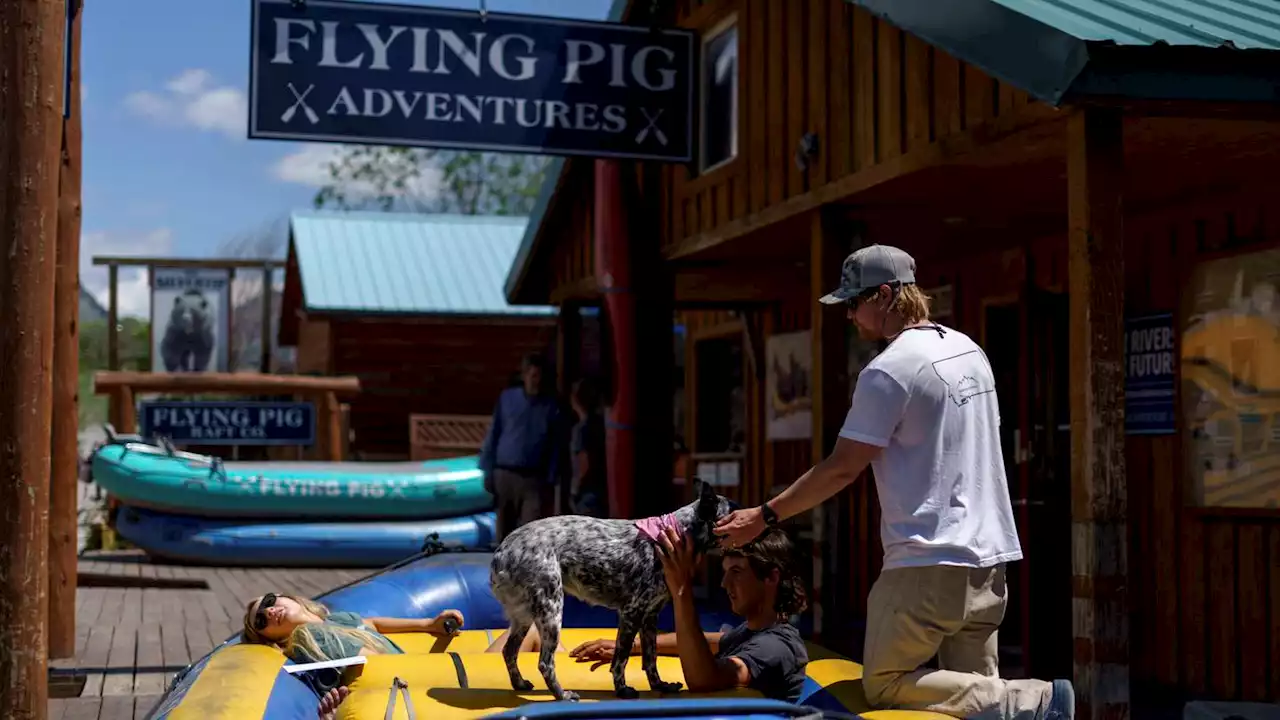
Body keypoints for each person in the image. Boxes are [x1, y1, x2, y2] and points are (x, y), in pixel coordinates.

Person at [713, 245, 1075, 720]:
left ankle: (1036, 698)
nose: (849, 316)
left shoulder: (888, 370)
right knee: (971, 707)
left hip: (925, 561)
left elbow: (843, 467)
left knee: (884, 684)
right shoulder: (971, 352)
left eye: (852, 303)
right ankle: (1019, 703)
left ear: (884, 296)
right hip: (990, 559)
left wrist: (765, 516)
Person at [490, 527, 810, 703]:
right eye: (725, 571)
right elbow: (715, 641)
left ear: (772, 578)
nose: (725, 583)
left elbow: (705, 680)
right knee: (534, 631)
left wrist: (680, 591)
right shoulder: (752, 633)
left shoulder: (776, 647)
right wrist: (629, 646)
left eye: (737, 572)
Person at [240, 592, 464, 704]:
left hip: (421, 682)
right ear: (270, 637)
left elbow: (372, 624)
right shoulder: (314, 637)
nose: (269, 612)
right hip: (418, 689)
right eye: (261, 621)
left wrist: (428, 624)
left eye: (269, 601)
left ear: (285, 596)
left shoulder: (335, 621)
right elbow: (380, 667)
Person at [479, 352, 566, 540]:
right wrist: (487, 469)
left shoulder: (551, 406)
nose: (537, 381)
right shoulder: (508, 398)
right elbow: (494, 432)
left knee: (530, 531)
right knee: (504, 531)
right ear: (525, 376)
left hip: (534, 479)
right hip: (505, 474)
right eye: (533, 376)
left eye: (540, 377)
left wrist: (551, 479)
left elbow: (555, 445)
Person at [568, 378, 607, 517]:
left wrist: (575, 489)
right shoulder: (602, 425)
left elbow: (584, 461)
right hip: (601, 490)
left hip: (587, 493)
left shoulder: (581, 429)